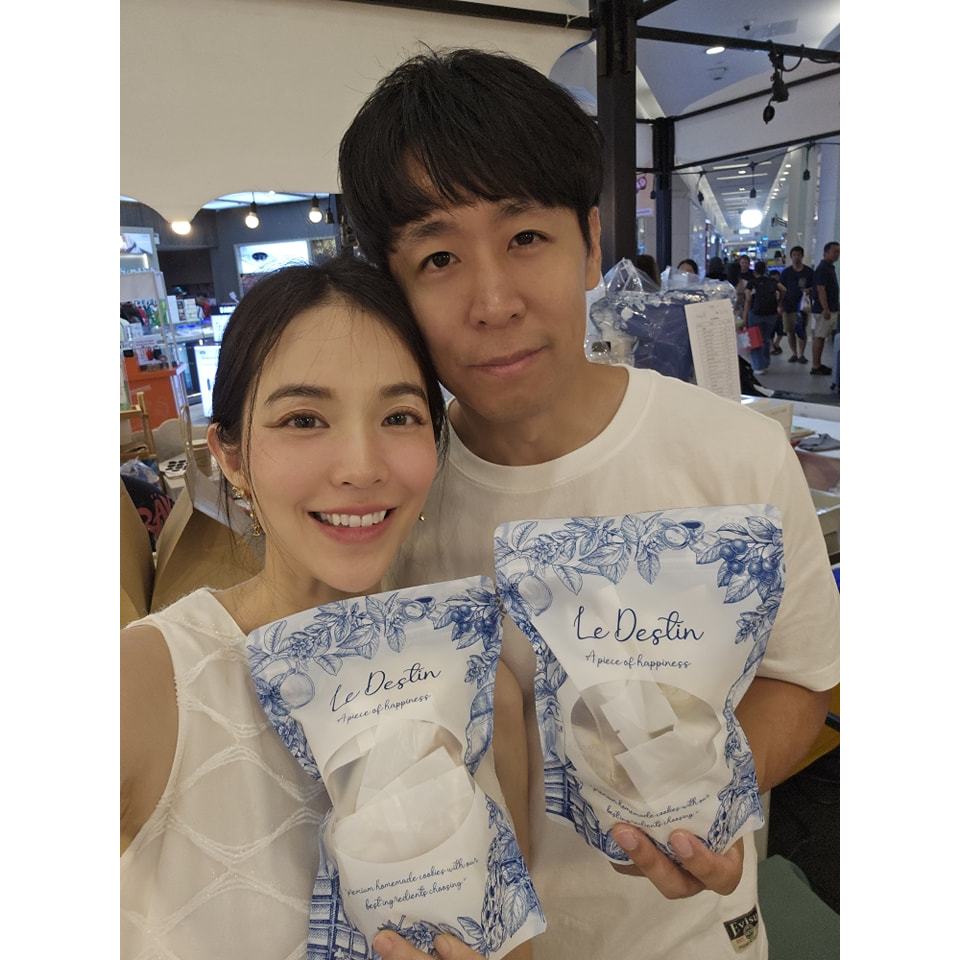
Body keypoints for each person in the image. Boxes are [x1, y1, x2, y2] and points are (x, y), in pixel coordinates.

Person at [339, 48, 838, 960]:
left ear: (592, 242)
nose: (494, 301)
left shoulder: (733, 454)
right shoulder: (384, 505)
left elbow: (802, 677)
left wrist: (701, 807)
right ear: (393, 287)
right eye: (439, 257)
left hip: (686, 938)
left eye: (526, 238)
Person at [120, 259, 531, 960]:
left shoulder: (483, 687)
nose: (361, 466)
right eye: (304, 419)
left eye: (399, 416)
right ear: (231, 457)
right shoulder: (146, 682)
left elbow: (512, 944)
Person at [743, 261, 786, 374]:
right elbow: (783, 289)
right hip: (771, 314)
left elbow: (748, 299)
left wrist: (745, 316)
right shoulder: (772, 281)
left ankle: (758, 366)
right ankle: (765, 363)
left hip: (756, 314)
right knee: (766, 338)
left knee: (755, 339)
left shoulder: (751, 283)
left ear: (755, 271)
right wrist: (779, 302)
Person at [779, 245, 816, 364]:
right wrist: (780, 304)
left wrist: (809, 290)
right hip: (788, 306)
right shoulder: (786, 272)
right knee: (790, 331)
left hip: (802, 306)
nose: (796, 257)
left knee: (801, 330)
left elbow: (815, 286)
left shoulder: (809, 272)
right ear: (791, 257)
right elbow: (780, 288)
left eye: (798, 255)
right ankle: (794, 353)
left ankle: (802, 354)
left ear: (802, 256)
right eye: (794, 255)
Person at [810, 241, 840, 376]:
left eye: (838, 252)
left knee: (822, 337)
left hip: (830, 308)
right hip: (824, 310)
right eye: (835, 251)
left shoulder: (829, 267)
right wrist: (825, 308)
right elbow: (821, 289)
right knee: (820, 336)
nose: (837, 254)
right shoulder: (823, 268)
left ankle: (818, 364)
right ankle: (816, 366)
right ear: (826, 252)